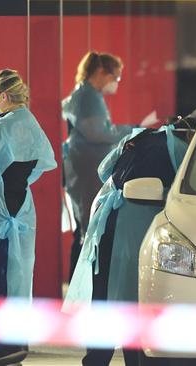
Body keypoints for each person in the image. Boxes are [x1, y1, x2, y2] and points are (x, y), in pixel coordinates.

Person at [63, 122, 190, 366]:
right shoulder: (179, 148)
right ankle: (134, 360)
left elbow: (104, 170)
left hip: (108, 220)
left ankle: (96, 360)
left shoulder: (137, 137)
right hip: (134, 229)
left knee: (103, 292)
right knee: (133, 297)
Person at [0, 69, 57, 366]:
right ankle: (15, 342)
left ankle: (6, 347)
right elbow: (42, 164)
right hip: (22, 209)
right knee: (18, 279)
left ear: (1, 96)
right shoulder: (31, 123)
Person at [62, 51, 133, 281]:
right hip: (85, 168)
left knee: (85, 226)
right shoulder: (87, 96)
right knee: (86, 229)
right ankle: (80, 284)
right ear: (101, 72)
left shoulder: (86, 94)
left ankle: (80, 284)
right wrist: (129, 130)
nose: (116, 83)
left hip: (82, 166)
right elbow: (96, 132)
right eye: (116, 78)